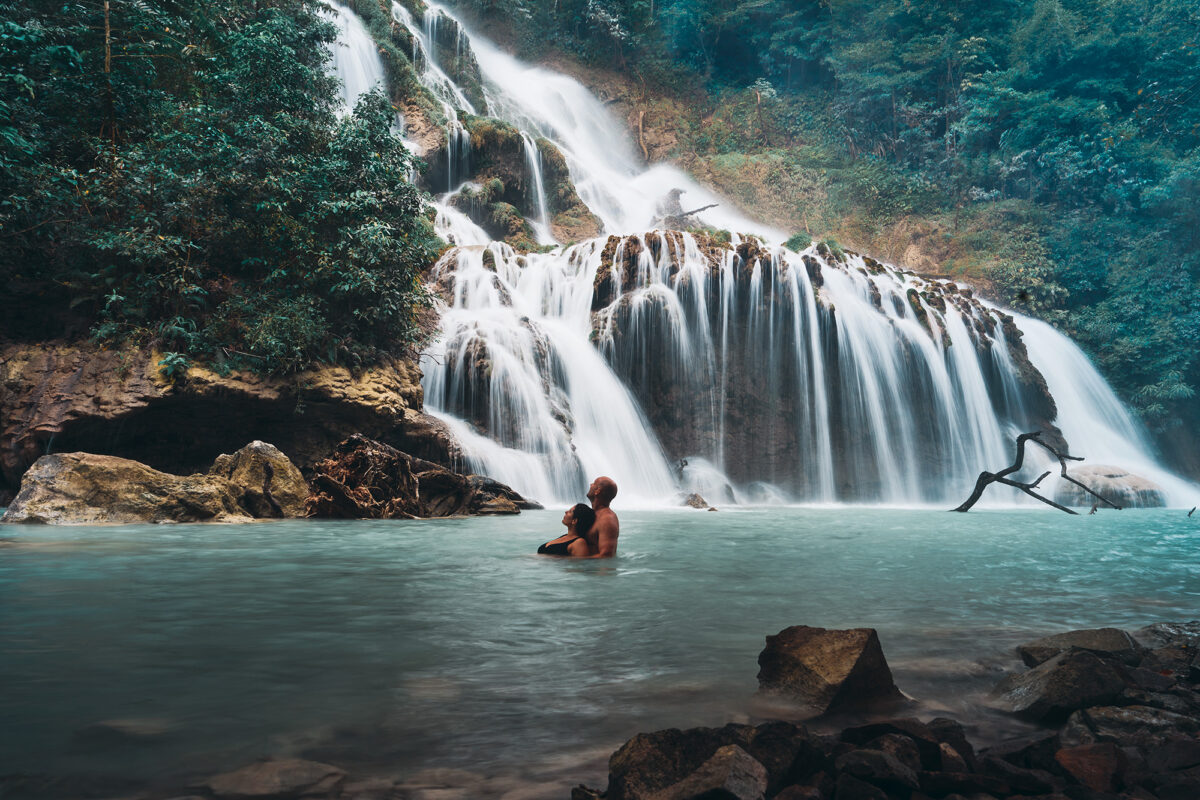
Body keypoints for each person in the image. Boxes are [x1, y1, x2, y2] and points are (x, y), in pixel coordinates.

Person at [585, 475, 619, 558]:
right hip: (586, 568)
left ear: (597, 491)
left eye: (594, 483)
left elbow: (606, 555)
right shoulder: (594, 514)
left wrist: (567, 560)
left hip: (594, 570)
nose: (590, 484)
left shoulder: (607, 519)